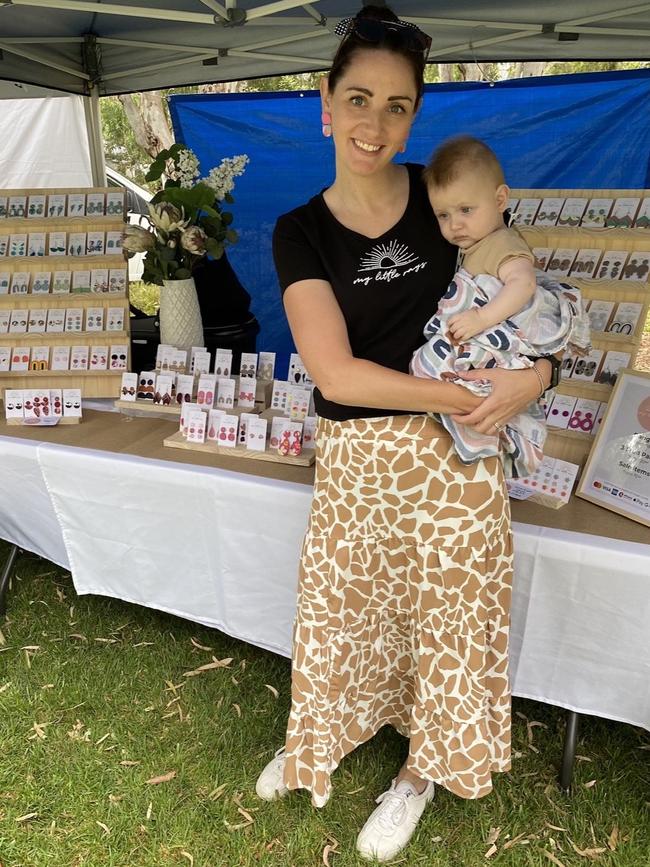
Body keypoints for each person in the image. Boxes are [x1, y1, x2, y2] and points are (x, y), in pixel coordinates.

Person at [255, 7, 553, 862]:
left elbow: (537, 313)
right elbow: (336, 373)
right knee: (343, 611)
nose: (374, 123)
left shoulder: (448, 201)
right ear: (324, 103)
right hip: (357, 459)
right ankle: (320, 733)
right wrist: (452, 392)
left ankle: (420, 773)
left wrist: (534, 378)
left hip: (455, 468)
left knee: (448, 621)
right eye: (358, 99)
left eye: (396, 106)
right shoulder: (298, 231)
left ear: (414, 115)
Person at [411, 135, 590, 478]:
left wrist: (481, 316)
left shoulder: (502, 243)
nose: (455, 224)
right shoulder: (477, 244)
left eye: (466, 210)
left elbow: (523, 285)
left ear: (500, 199)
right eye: (443, 215)